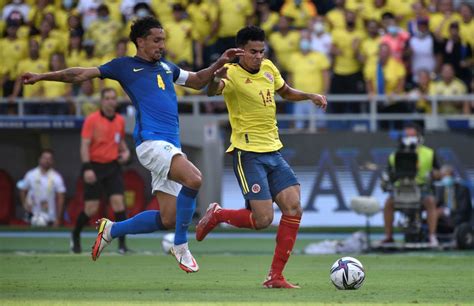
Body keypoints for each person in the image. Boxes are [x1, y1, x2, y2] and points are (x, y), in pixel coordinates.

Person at [22, 16, 243, 273]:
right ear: (140, 41)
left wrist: (219, 63)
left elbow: (196, 81)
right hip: (151, 142)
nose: (162, 45)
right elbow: (80, 73)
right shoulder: (124, 66)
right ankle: (181, 245)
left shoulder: (167, 67)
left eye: (163, 40)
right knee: (194, 179)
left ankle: (112, 229)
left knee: (168, 218)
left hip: (171, 146)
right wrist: (41, 76)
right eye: (156, 40)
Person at [197, 26, 327, 288]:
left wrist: (309, 96)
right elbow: (211, 90)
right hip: (247, 154)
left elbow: (286, 92)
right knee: (263, 220)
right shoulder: (231, 73)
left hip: (273, 150)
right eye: (253, 52)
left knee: (293, 206)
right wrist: (214, 77)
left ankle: (275, 277)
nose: (258, 56)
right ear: (240, 52)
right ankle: (218, 214)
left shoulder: (269, 68)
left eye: (261, 51)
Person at [71, 87, 131, 254]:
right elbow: (84, 146)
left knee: (119, 204)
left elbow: (121, 144)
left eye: (113, 98)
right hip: (95, 167)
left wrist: (126, 153)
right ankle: (75, 235)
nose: (111, 101)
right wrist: (87, 168)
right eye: (107, 98)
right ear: (102, 101)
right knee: (91, 208)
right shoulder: (91, 120)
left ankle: (122, 245)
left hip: (113, 167)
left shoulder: (120, 120)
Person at [382, 123, 441, 247]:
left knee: (430, 202)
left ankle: (432, 236)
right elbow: (389, 173)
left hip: (421, 188)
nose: (409, 138)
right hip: (401, 189)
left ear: (419, 136)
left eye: (412, 135)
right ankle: (388, 236)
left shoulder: (428, 153)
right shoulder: (395, 155)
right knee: (388, 204)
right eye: (406, 135)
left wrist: (433, 174)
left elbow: (438, 171)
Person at [17, 149, 66, 227]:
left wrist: (58, 218)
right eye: (44, 158)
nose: (47, 160)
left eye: (49, 159)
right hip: (32, 214)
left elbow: (61, 198)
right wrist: (24, 204)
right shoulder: (30, 174)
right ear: (39, 159)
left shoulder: (57, 177)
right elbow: (22, 190)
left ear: (52, 161)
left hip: (50, 216)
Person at [435, 165, 472, 235]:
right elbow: (437, 204)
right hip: (442, 221)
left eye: (446, 175)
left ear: (452, 175)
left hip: (459, 220)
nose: (445, 178)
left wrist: (447, 212)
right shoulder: (440, 190)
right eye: (443, 176)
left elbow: (464, 210)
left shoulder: (462, 189)